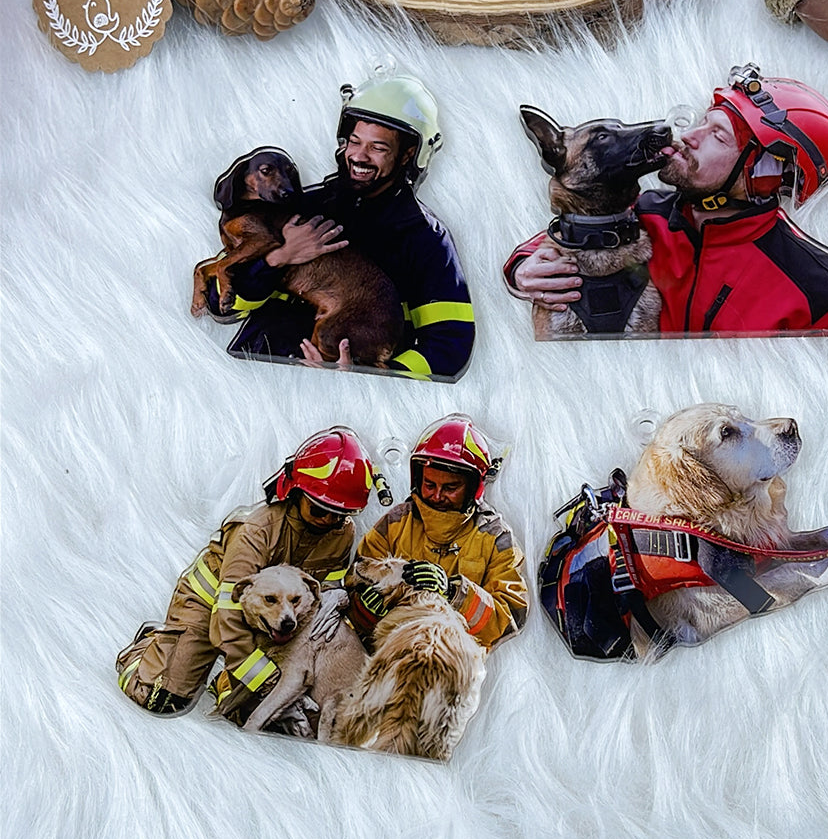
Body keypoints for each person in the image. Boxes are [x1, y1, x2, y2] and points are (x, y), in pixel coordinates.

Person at [504, 63, 828, 335]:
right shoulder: (645, 214)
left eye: (718, 136)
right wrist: (521, 270)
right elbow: (566, 232)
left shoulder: (816, 288)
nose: (690, 135)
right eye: (703, 122)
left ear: (764, 173)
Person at [206, 74, 475, 379]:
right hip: (252, 377)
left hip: (344, 400)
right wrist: (277, 258)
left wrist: (373, 377)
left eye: (378, 147)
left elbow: (450, 345)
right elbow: (219, 302)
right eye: (355, 142)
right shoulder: (298, 205)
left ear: (408, 154)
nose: (359, 156)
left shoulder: (426, 238)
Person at [115, 428, 387, 723]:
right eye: (320, 510)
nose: (329, 520)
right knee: (162, 699)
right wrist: (268, 681)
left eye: (341, 513)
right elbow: (227, 614)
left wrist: (339, 597)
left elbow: (325, 588)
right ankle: (144, 651)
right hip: (211, 605)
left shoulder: (341, 532)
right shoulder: (256, 530)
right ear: (296, 492)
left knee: (263, 717)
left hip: (276, 617)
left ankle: (225, 683)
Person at [349, 415, 528, 651]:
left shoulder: (495, 537)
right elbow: (356, 579)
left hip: (453, 661)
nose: (436, 496)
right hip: (390, 655)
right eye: (429, 484)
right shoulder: (395, 523)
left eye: (450, 487)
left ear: (473, 487)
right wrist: (364, 610)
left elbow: (510, 615)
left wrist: (454, 592)